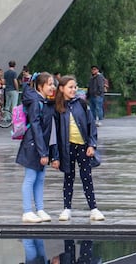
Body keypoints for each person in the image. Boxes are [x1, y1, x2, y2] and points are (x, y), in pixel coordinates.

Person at [51, 75, 104, 222]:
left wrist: (92, 145)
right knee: (68, 178)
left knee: (87, 177)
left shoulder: (81, 103)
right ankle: (67, 208)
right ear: (61, 89)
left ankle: (93, 208)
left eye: (75, 87)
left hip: (83, 147)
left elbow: (91, 125)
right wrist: (54, 156)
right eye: (70, 87)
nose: (73, 90)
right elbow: (53, 134)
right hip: (66, 148)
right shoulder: (57, 108)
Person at [15, 72, 56, 223]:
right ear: (40, 86)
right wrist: (43, 152)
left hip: (40, 146)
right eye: (50, 84)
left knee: (40, 178)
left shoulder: (44, 102)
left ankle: (40, 209)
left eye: (53, 84)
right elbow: (36, 128)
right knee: (31, 178)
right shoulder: (35, 102)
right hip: (33, 146)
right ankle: (27, 211)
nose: (53, 87)